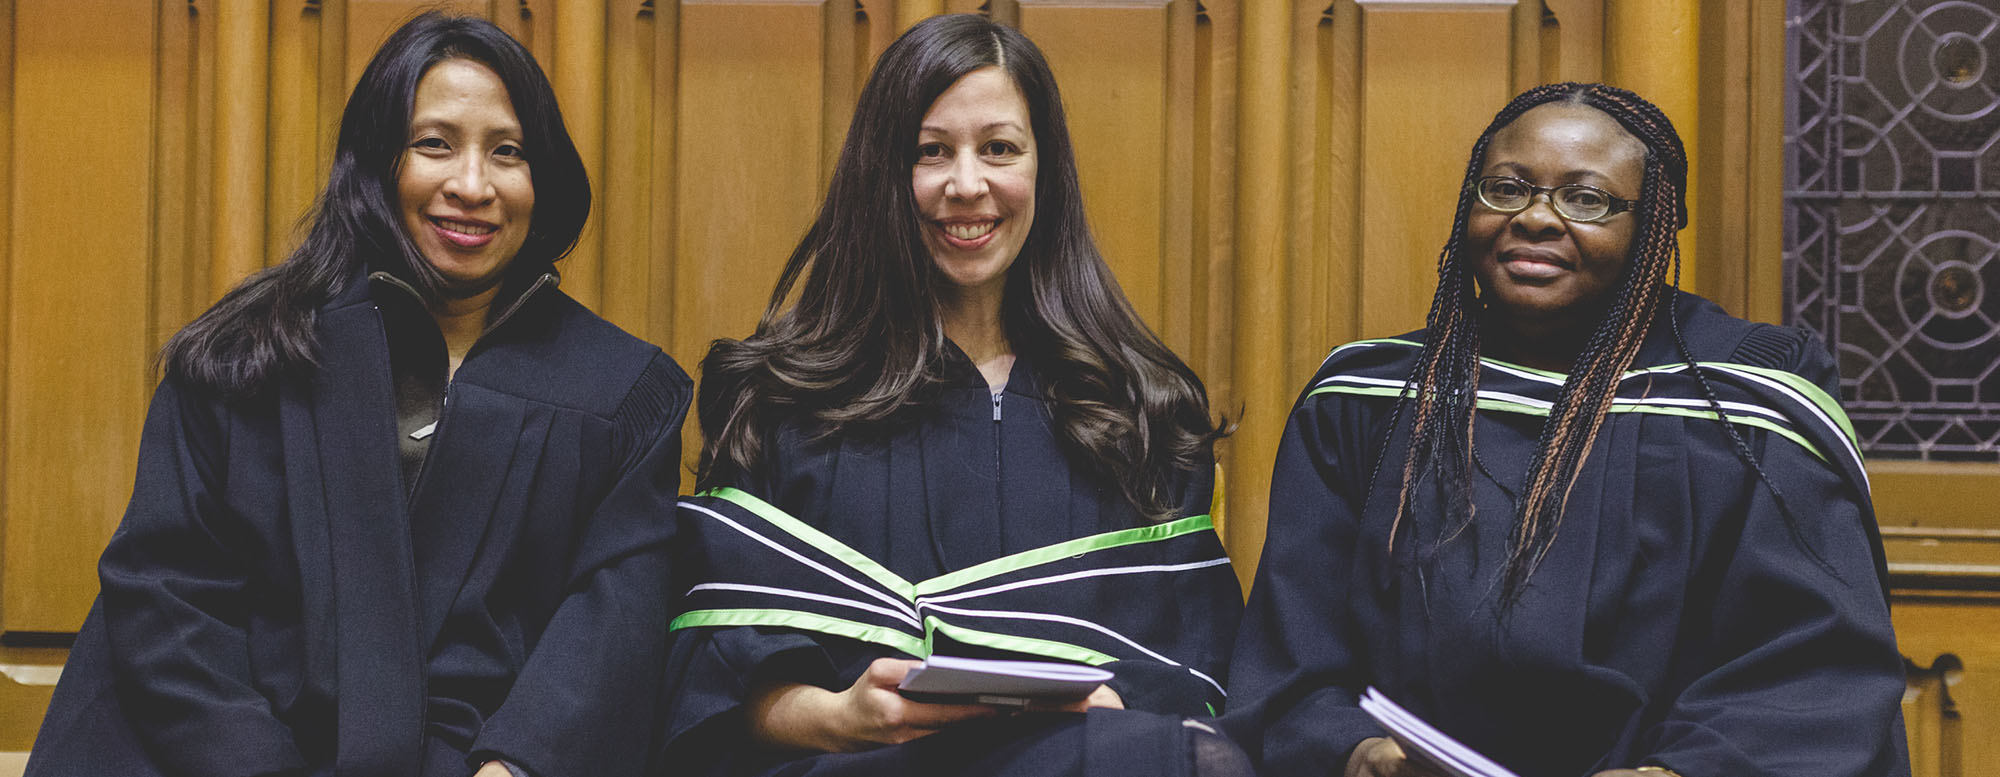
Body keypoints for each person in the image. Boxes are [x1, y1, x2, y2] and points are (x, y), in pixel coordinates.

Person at [27, 12, 690, 777]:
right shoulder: (250, 359)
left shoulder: (620, 394)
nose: (471, 186)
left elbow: (611, 627)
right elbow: (166, 597)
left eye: (507, 152)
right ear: (378, 162)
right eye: (434, 144)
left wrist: (514, 767)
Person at [1225, 82, 1909, 777]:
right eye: (1508, 188)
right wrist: (1357, 750)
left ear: (1652, 225)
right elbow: (1291, 654)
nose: (1537, 218)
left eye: (1587, 199)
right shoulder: (1368, 399)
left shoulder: (1745, 403)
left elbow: (1816, 663)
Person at [661, 13, 1246, 777]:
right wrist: (844, 719)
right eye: (931, 152)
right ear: (883, 173)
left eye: (998, 148)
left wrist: (1116, 711)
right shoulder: (779, 403)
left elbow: (1204, 679)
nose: (966, 185)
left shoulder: (1141, 410)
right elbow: (710, 684)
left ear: (1045, 169)